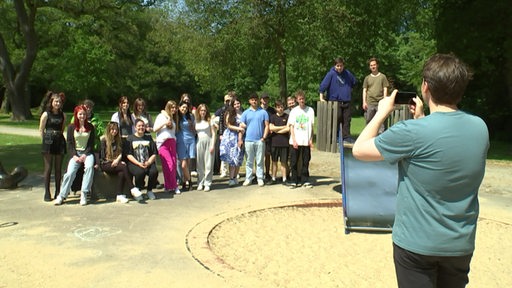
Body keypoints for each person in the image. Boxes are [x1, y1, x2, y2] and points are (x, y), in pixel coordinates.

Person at [352, 53, 489, 287]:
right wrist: (423, 118)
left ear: (425, 86)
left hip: (416, 246)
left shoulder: (411, 132)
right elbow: (442, 149)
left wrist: (382, 111)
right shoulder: (480, 128)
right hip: (459, 246)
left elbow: (359, 150)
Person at [54, 105, 96, 206]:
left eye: (84, 114)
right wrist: (74, 156)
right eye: (80, 114)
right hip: (75, 154)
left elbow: (91, 144)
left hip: (87, 153)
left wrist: (85, 155)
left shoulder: (90, 127)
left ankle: (84, 194)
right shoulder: (71, 127)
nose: (82, 116)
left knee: (89, 167)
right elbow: (69, 143)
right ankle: (62, 195)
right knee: (70, 173)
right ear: (76, 115)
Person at [99, 122, 140, 204]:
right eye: (112, 129)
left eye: (116, 130)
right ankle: (132, 188)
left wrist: (117, 160)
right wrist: (114, 161)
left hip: (116, 163)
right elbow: (103, 157)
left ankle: (119, 195)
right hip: (105, 164)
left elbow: (121, 153)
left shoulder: (118, 140)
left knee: (122, 172)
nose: (114, 131)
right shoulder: (104, 140)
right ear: (109, 130)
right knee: (123, 166)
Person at [319, 57, 357, 144]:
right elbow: (323, 86)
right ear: (335, 65)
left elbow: (354, 82)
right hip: (335, 102)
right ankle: (334, 138)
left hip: (346, 101)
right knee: (335, 120)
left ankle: (346, 137)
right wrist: (321, 97)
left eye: (341, 66)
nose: (339, 68)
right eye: (338, 66)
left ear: (343, 66)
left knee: (346, 120)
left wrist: (348, 91)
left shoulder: (347, 74)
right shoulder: (331, 74)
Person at [39, 91, 67, 201]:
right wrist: (45, 141)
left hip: (59, 140)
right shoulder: (46, 114)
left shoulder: (62, 115)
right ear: (51, 102)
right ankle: (47, 192)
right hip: (48, 141)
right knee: (48, 168)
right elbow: (41, 129)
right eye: (56, 102)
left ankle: (58, 192)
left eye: (59, 102)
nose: (58, 104)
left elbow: (62, 127)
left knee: (58, 168)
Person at [240, 93, 269, 187]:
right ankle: (248, 178)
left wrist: (264, 137)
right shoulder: (245, 112)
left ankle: (260, 178)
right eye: (252, 99)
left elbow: (267, 126)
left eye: (255, 99)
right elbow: (241, 125)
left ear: (258, 100)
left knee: (260, 161)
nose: (254, 101)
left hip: (260, 140)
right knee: (249, 161)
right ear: (249, 101)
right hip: (248, 140)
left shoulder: (263, 112)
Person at [126, 119, 159, 201]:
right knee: (140, 172)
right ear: (135, 127)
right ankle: (137, 190)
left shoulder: (148, 137)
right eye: (139, 126)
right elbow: (128, 154)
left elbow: (154, 153)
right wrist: (138, 163)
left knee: (154, 172)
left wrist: (149, 162)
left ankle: (149, 190)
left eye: (143, 126)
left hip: (148, 162)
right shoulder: (130, 138)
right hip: (134, 163)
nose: (141, 127)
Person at [287, 90, 314, 188]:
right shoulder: (294, 111)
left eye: (303, 99)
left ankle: (305, 180)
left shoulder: (310, 110)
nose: (302, 100)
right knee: (294, 162)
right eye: (300, 99)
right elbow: (291, 126)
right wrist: (293, 140)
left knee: (305, 161)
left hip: (306, 141)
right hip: (295, 141)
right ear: (297, 100)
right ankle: (294, 180)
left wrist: (311, 139)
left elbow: (312, 127)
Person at [153, 100, 181, 195]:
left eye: (175, 107)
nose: (174, 109)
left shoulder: (173, 118)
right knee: (169, 164)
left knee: (173, 164)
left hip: (172, 142)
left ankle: (168, 186)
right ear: (168, 107)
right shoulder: (161, 117)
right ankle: (174, 186)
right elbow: (154, 129)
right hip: (163, 143)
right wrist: (165, 123)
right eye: (172, 107)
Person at [219, 97, 245, 186]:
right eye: (235, 104)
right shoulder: (229, 113)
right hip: (231, 137)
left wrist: (241, 132)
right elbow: (228, 125)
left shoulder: (242, 113)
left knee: (239, 158)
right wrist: (239, 128)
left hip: (240, 137)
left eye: (238, 103)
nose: (237, 105)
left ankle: (235, 176)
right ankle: (231, 178)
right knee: (232, 159)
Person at [362, 57, 390, 133]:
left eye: (374, 65)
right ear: (369, 67)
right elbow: (364, 90)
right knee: (369, 121)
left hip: (380, 103)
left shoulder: (382, 77)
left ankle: (381, 138)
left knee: (381, 122)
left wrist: (384, 100)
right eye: (371, 65)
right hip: (370, 103)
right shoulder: (367, 78)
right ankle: (368, 138)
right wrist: (364, 102)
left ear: (377, 65)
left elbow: (385, 88)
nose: (373, 67)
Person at [195, 104, 217, 192]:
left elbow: (214, 133)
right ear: (199, 111)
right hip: (199, 142)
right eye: (201, 110)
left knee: (208, 164)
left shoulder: (210, 121)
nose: (203, 112)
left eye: (204, 110)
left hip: (208, 141)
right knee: (199, 164)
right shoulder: (196, 121)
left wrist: (212, 145)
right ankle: (200, 182)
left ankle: (207, 183)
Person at [176, 100, 197, 191]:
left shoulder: (190, 117)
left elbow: (194, 129)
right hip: (181, 141)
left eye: (186, 108)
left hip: (190, 140)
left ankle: (185, 182)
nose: (184, 109)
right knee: (183, 165)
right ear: (179, 107)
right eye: (182, 107)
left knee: (187, 164)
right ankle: (190, 181)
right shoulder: (176, 117)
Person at [269, 100, 290, 184]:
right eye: (278, 107)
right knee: (274, 161)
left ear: (283, 107)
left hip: (284, 143)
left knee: (284, 162)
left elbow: (288, 128)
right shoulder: (273, 117)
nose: (280, 109)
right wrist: (283, 127)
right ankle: (273, 178)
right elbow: (271, 128)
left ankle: (284, 179)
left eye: (281, 107)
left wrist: (277, 129)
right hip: (274, 143)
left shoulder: (287, 116)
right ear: (275, 108)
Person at [214, 93, 234, 177]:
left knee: (233, 153)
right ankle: (223, 171)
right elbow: (213, 118)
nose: (228, 102)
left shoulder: (234, 109)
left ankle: (233, 172)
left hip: (233, 133)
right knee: (223, 152)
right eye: (226, 100)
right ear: (224, 101)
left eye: (230, 100)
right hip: (223, 133)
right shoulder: (221, 110)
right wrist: (217, 127)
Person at [260, 93, 276, 181]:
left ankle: (267, 173)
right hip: (259, 135)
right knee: (258, 156)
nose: (265, 100)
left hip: (269, 137)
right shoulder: (258, 109)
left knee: (267, 155)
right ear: (261, 100)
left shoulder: (272, 110)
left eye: (266, 99)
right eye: (263, 99)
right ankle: (259, 173)